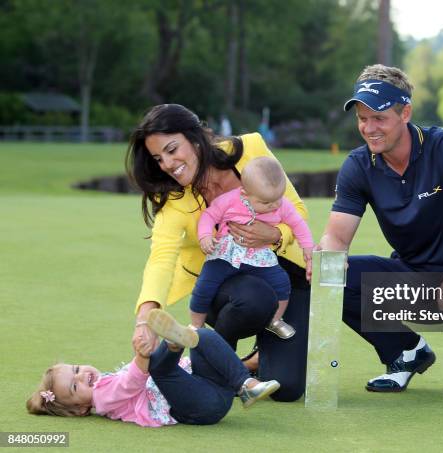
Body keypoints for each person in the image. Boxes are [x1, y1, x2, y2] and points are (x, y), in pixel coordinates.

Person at [316, 64, 443, 399]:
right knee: (330, 275)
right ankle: (405, 352)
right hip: (409, 276)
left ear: (405, 113)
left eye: (379, 118)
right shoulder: (359, 164)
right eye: (362, 119)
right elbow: (336, 236)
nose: (369, 128)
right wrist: (329, 257)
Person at [125, 104, 310, 402]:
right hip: (221, 284)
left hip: (283, 274)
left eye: (173, 150)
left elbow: (296, 209)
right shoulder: (171, 197)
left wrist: (275, 234)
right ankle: (211, 368)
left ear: (195, 139)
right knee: (254, 298)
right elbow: (161, 257)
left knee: (287, 388)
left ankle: (248, 363)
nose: (168, 164)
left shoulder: (251, 147)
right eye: (159, 158)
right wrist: (145, 319)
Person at [27, 310, 280, 426]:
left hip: (207, 389)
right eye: (75, 386)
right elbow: (133, 382)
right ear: (81, 410)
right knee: (158, 369)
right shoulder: (103, 399)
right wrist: (141, 355)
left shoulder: (107, 381)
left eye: (76, 368)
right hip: (200, 409)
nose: (82, 376)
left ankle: (246, 383)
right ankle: (173, 343)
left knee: (201, 336)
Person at [193, 156, 314, 340]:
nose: (274, 205)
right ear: (245, 194)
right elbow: (209, 216)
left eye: (277, 199)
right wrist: (205, 235)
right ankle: (196, 324)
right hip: (226, 253)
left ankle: (274, 320)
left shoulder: (281, 205)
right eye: (266, 203)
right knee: (205, 284)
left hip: (259, 256)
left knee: (282, 282)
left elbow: (298, 224)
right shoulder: (230, 200)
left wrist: (307, 246)